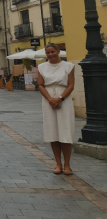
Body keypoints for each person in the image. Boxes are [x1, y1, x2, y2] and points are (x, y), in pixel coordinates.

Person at [37, 43, 75, 175]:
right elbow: (40, 85)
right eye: (48, 53)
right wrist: (50, 100)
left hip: (64, 100)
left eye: (53, 52)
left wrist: (59, 99)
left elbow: (70, 85)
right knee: (53, 132)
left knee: (65, 131)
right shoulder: (41, 67)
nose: (50, 54)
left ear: (58, 51)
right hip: (48, 100)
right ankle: (58, 164)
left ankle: (67, 165)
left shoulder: (68, 66)